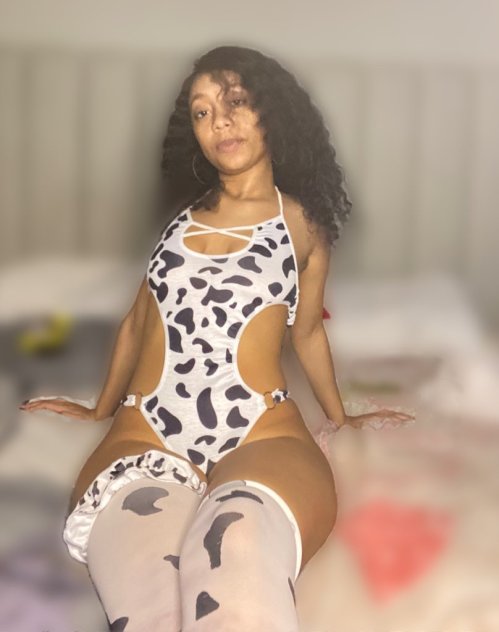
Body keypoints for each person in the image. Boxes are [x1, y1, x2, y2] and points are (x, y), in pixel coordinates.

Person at [20, 45, 414, 631]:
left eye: (235, 102)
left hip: (261, 428)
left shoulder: (302, 225)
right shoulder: (181, 221)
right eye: (202, 112)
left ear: (272, 112)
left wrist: (342, 417)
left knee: (237, 550)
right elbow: (137, 322)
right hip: (147, 430)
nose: (220, 122)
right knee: (155, 602)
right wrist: (99, 409)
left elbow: (307, 332)